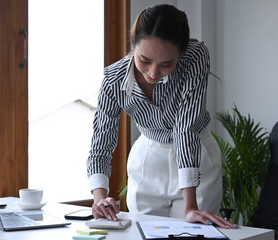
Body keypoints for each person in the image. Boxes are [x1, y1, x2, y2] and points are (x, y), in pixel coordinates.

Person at [86, 4, 236, 229]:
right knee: (144, 231)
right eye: (144, 60)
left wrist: (190, 207)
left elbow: (185, 128)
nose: (153, 73)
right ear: (133, 44)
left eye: (166, 64)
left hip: (196, 156)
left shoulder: (194, 58)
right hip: (148, 159)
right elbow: (101, 141)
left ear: (181, 53)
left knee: (194, 232)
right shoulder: (113, 79)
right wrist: (100, 199)